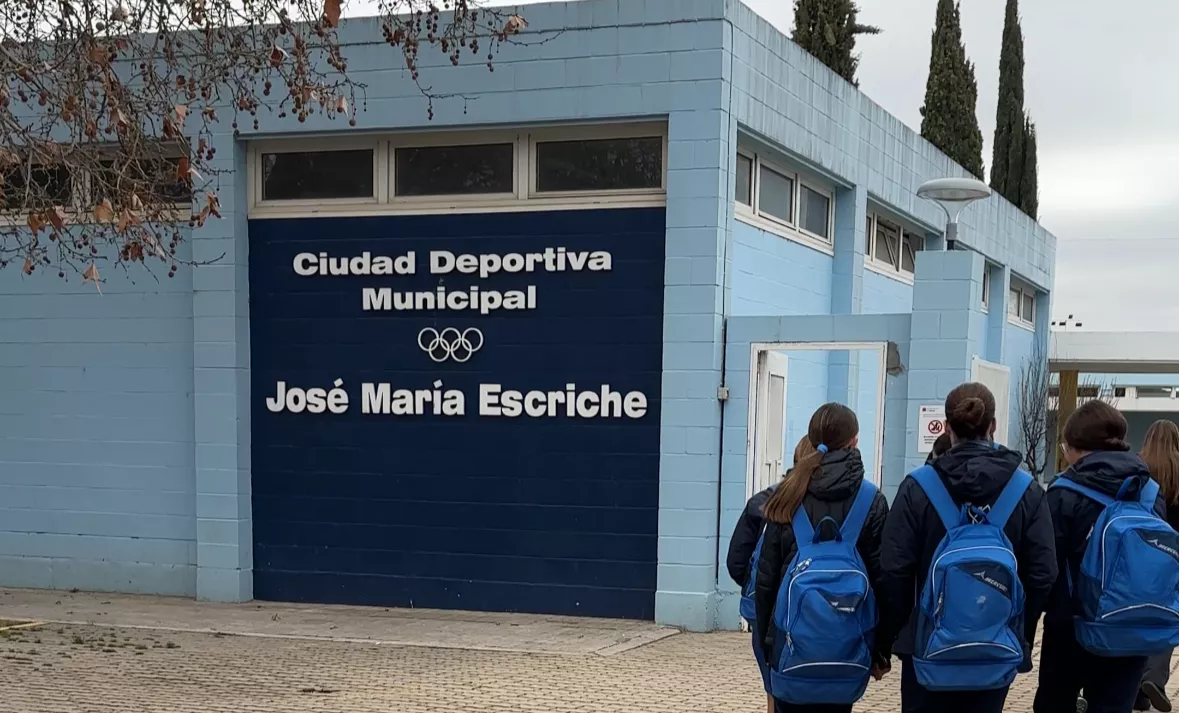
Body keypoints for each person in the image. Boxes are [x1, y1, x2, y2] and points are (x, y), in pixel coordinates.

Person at [879, 382, 1057, 713]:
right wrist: (1018, 630)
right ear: (993, 426)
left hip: (927, 648)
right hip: (995, 647)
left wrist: (897, 634)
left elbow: (893, 568)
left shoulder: (917, 488)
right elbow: (1044, 572)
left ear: (947, 428)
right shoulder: (1026, 491)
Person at [752, 403, 891, 713]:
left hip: (790, 652)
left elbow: (766, 580)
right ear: (855, 441)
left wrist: (767, 646)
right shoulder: (871, 499)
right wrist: (881, 650)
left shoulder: (788, 493)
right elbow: (883, 581)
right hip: (848, 652)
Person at [1034, 402, 1169, 713]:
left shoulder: (1062, 491)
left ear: (1076, 448)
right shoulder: (1149, 492)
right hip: (1131, 625)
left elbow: (1045, 564)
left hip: (1071, 627)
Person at [727, 436, 817, 713]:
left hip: (765, 611)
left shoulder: (764, 502)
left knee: (775, 686)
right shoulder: (843, 505)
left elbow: (736, 562)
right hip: (822, 613)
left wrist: (757, 589)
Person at [1136, 419, 1179, 712]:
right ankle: (1154, 677)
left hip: (1142, 555)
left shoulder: (1138, 469)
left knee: (1136, 618)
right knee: (1168, 618)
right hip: (1175, 559)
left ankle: (1135, 684)